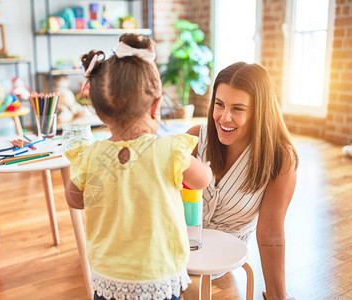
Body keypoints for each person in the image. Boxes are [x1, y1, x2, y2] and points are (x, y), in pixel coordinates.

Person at [64, 33, 213, 300]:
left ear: (99, 112)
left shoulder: (91, 155)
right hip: (157, 272)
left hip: (109, 276)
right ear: (156, 106)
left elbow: (75, 200)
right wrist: (207, 167)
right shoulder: (169, 150)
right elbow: (202, 180)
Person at [187, 62, 298, 300]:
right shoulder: (196, 138)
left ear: (260, 111)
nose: (224, 117)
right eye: (219, 104)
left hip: (223, 258)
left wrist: (278, 296)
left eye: (238, 108)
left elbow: (270, 234)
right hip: (175, 248)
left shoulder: (280, 159)